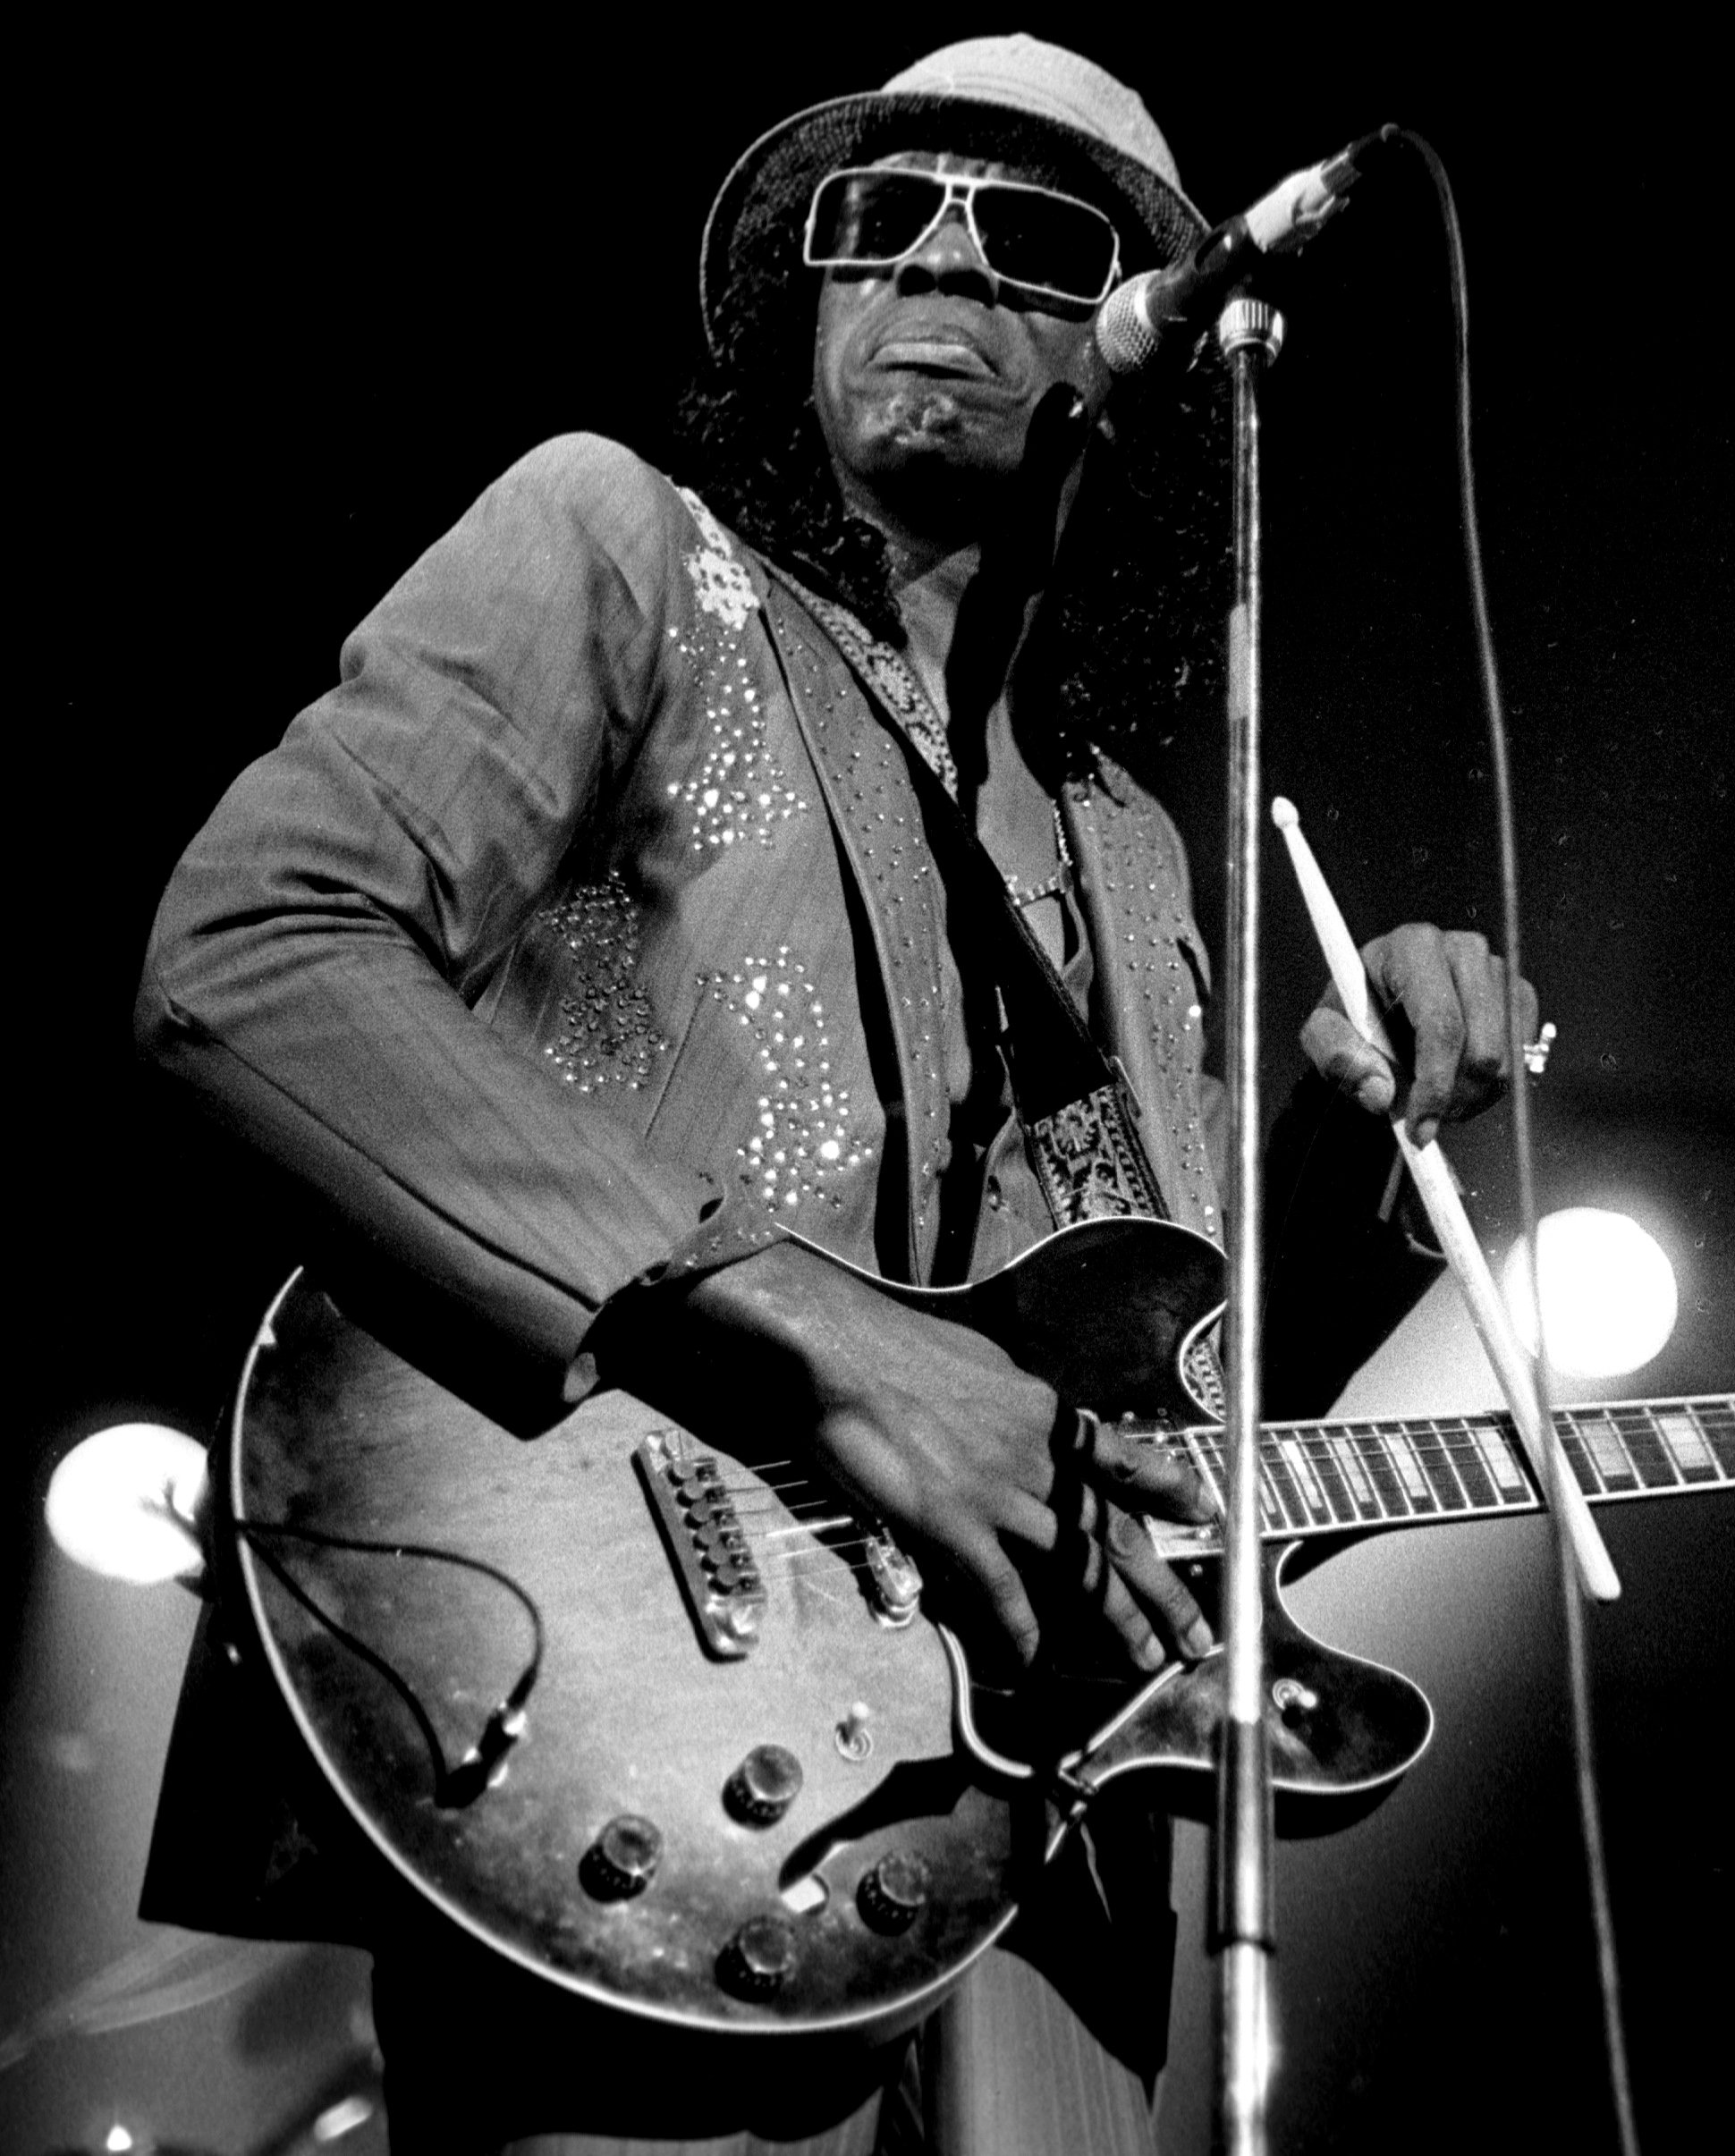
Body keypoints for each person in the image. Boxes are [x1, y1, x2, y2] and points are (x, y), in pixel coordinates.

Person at [132, 35, 1536, 2155]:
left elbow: (1166, 1443)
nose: (933, 270)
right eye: (876, 222)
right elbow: (249, 956)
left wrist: (1353, 1144)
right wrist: (826, 1333)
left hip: (1030, 1856)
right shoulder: (624, 552)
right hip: (634, 1730)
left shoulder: (1126, 850)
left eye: (1030, 238)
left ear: (1133, 352)